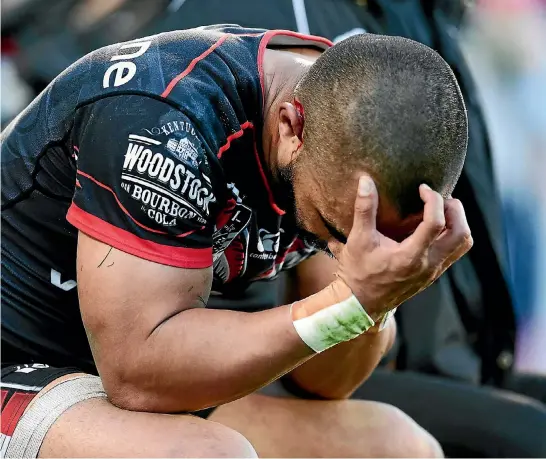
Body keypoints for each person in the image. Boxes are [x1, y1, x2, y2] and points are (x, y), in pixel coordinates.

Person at [1, 25, 472, 457]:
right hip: (19, 361)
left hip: (111, 377)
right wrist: (350, 301)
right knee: (211, 456)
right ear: (292, 127)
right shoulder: (163, 119)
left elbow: (325, 382)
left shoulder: (341, 139)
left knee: (401, 448)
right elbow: (139, 374)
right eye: (334, 231)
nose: (344, 247)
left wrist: (374, 302)